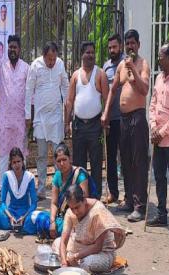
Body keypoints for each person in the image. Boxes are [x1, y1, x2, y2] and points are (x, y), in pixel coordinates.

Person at [101, 29, 150, 222]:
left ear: (138, 44)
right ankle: (129, 200)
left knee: (139, 162)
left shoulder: (142, 64)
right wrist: (105, 112)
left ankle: (140, 205)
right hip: (123, 120)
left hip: (137, 118)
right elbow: (113, 90)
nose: (130, 46)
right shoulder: (122, 65)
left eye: (133, 43)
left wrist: (134, 71)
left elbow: (144, 89)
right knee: (126, 161)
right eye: (128, 43)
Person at [0, 32, 29, 194]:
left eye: (15, 47)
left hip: (20, 121)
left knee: (21, 156)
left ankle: (22, 189)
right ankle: (2, 190)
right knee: (3, 156)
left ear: (20, 49)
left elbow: (31, 95)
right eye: (10, 48)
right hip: (5, 121)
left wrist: (30, 117)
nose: (12, 50)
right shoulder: (1, 66)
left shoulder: (26, 68)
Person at [25, 41, 69, 200]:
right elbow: (29, 90)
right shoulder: (35, 66)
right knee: (42, 155)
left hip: (56, 117)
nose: (52, 62)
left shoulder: (60, 64)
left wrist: (68, 110)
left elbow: (65, 87)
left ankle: (60, 187)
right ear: (43, 56)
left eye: (54, 58)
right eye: (49, 59)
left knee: (59, 155)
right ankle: (42, 188)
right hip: (40, 118)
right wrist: (27, 115)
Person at [65, 41, 109, 198]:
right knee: (78, 163)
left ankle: (95, 197)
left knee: (96, 163)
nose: (90, 55)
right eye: (87, 52)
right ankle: (80, 197)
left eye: (92, 52)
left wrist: (106, 117)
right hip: (78, 126)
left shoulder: (100, 74)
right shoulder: (75, 75)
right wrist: (66, 122)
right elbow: (70, 101)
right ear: (81, 54)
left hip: (95, 125)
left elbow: (106, 98)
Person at [53, 184, 126, 273]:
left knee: (87, 262)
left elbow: (97, 247)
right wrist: (64, 262)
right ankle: (73, 266)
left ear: (84, 200)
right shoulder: (70, 212)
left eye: (77, 207)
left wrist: (76, 256)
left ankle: (77, 268)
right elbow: (64, 241)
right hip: (80, 247)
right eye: (72, 208)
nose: (75, 212)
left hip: (102, 253)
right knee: (57, 243)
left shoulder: (98, 211)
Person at [147, 42, 169, 227]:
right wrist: (154, 126)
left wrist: (162, 132)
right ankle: (162, 214)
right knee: (160, 179)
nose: (158, 59)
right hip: (157, 139)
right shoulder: (158, 79)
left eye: (161, 57)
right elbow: (153, 104)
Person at [0, 147, 38, 237]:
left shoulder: (29, 177)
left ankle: (16, 225)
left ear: (23, 162)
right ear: (11, 164)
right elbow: (2, 202)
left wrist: (24, 216)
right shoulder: (7, 176)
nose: (17, 165)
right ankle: (16, 225)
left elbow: (34, 204)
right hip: (11, 213)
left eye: (18, 161)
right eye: (14, 162)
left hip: (25, 214)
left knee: (39, 218)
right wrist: (10, 216)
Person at [48, 143, 92, 239]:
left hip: (78, 215)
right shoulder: (57, 176)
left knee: (67, 229)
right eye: (59, 161)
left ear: (70, 159)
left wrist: (70, 217)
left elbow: (84, 202)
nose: (62, 163)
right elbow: (54, 203)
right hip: (62, 214)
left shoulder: (80, 175)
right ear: (55, 163)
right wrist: (52, 222)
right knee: (41, 219)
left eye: (64, 159)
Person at [102, 34, 125, 204]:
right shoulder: (106, 67)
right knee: (110, 158)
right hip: (111, 118)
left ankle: (130, 194)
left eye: (114, 47)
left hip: (126, 118)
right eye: (110, 48)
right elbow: (104, 94)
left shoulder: (127, 64)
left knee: (126, 156)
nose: (112, 50)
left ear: (121, 47)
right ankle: (114, 193)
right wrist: (105, 116)